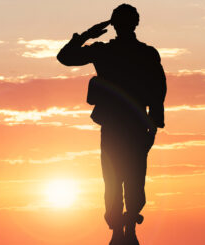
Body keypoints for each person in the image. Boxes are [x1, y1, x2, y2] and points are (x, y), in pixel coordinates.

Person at [57, 4, 166, 245]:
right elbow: (159, 89)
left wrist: (87, 35)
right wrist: (155, 122)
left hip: (118, 125)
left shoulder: (105, 51)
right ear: (135, 24)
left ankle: (120, 227)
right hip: (135, 124)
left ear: (114, 25)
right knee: (133, 175)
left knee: (115, 176)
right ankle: (125, 227)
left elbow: (65, 56)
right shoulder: (145, 53)